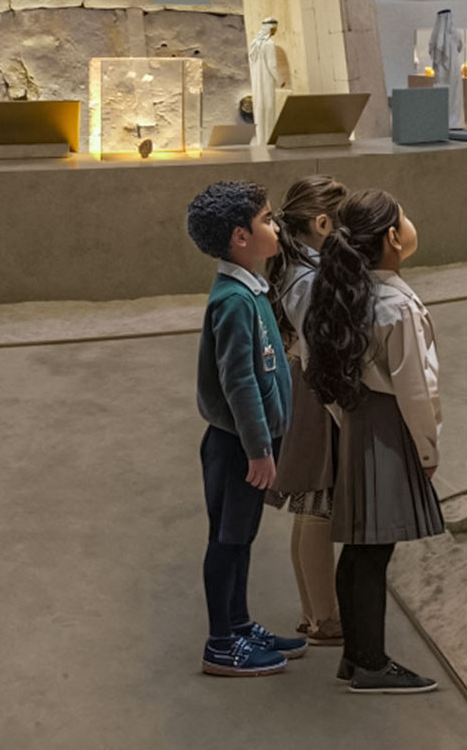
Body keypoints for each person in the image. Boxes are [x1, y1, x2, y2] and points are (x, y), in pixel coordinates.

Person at [303, 189, 446, 694]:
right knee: (373, 550)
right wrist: (427, 450)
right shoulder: (395, 305)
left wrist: (351, 423)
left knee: (363, 548)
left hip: (360, 423)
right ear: (391, 238)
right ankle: (369, 663)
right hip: (391, 429)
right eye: (404, 217)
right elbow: (416, 387)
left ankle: (356, 656)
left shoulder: (346, 293)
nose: (410, 224)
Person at [185, 180, 309, 677]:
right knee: (228, 539)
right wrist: (260, 449)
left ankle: (239, 623)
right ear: (240, 237)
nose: (275, 226)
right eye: (267, 219)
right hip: (236, 446)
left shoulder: (251, 290)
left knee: (243, 537)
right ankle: (220, 642)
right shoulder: (234, 302)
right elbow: (239, 384)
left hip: (251, 444)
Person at [264, 175, 349, 646]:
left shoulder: (291, 267)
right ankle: (326, 617)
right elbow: (322, 347)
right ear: (321, 223)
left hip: (302, 386)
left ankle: (313, 613)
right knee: (318, 507)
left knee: (308, 510)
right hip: (318, 396)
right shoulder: (310, 278)